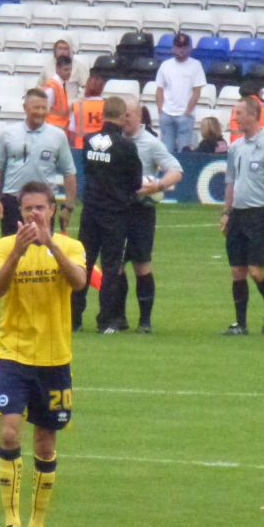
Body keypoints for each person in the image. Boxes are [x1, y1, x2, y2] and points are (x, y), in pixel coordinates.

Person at [0, 181, 86, 527]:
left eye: (40, 209)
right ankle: (11, 525)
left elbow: (78, 283)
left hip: (54, 359)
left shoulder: (70, 246)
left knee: (45, 443)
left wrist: (50, 246)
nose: (33, 215)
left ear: (52, 210)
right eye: (27, 209)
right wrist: (17, 252)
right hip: (13, 355)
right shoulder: (3, 247)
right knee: (10, 434)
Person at [69, 96, 142, 334]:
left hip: (90, 211)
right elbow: (135, 181)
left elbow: (88, 172)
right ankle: (106, 321)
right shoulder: (126, 146)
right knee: (111, 267)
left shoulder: (89, 141)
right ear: (122, 117)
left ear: (102, 114)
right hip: (115, 214)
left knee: (83, 263)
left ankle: (74, 317)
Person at [113, 98, 185, 333]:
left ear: (139, 117)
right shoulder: (114, 140)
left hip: (141, 210)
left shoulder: (151, 143)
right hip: (116, 209)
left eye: (128, 115)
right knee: (116, 265)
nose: (124, 119)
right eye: (122, 115)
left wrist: (158, 186)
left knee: (142, 264)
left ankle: (145, 321)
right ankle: (119, 317)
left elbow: (176, 170)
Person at [220, 96, 264, 336]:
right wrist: (226, 212)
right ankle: (240, 323)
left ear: (251, 115)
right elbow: (230, 181)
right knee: (237, 270)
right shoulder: (236, 147)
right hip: (238, 214)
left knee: (256, 270)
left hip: (260, 214)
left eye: (238, 113)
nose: (235, 117)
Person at [0, 88, 78, 237]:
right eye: (37, 107)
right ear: (25, 108)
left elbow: (69, 173)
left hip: (44, 203)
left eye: (44, 107)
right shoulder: (8, 134)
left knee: (41, 250)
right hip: (13, 201)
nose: (41, 112)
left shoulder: (58, 136)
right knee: (11, 249)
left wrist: (68, 207)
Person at [155, 33, 207, 155]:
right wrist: (160, 110)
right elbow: (159, 89)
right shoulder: (165, 65)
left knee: (184, 152)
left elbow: (197, 91)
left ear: (190, 48)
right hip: (167, 114)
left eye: (184, 46)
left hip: (185, 115)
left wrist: (187, 112)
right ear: (173, 47)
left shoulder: (196, 65)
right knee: (166, 152)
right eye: (178, 46)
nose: (181, 50)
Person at [69, 73, 106, 150]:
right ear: (102, 89)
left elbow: (72, 134)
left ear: (86, 87)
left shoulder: (78, 107)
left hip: (80, 149)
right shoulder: (107, 107)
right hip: (102, 149)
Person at [42, 56, 72, 137]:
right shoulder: (52, 87)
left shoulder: (60, 85)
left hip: (58, 129)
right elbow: (44, 108)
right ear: (57, 69)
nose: (68, 72)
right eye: (66, 70)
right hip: (52, 129)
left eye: (70, 69)